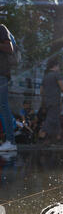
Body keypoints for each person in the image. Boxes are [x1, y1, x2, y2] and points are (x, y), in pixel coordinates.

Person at [39, 58, 63, 144]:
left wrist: (43, 102)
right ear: (56, 66)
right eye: (58, 66)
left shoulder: (45, 76)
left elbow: (41, 91)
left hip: (47, 101)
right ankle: (42, 134)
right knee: (51, 119)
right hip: (55, 101)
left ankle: (57, 137)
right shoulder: (57, 75)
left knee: (56, 119)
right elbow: (62, 88)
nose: (59, 67)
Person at [0, 23, 17, 152]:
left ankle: (11, 141)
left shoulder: (1, 28)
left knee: (3, 106)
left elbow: (9, 48)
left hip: (1, 75)